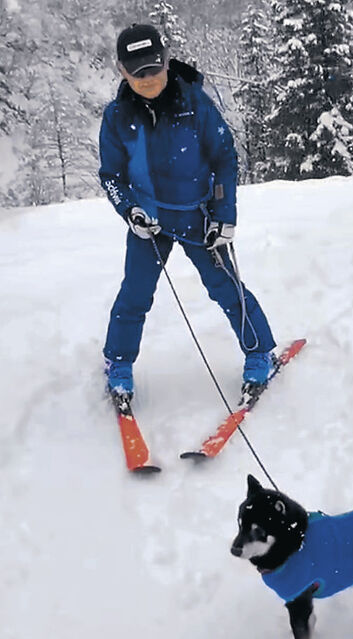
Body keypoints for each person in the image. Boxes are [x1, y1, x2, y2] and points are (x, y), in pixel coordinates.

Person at [99, 23, 276, 398]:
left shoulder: (194, 102)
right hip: (149, 221)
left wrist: (225, 214)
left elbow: (224, 158)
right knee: (135, 293)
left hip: (199, 218)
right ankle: (118, 362)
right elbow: (112, 176)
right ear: (122, 71)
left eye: (154, 68)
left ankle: (260, 352)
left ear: (167, 61)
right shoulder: (117, 116)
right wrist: (130, 211)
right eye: (137, 73)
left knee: (226, 288)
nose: (148, 80)